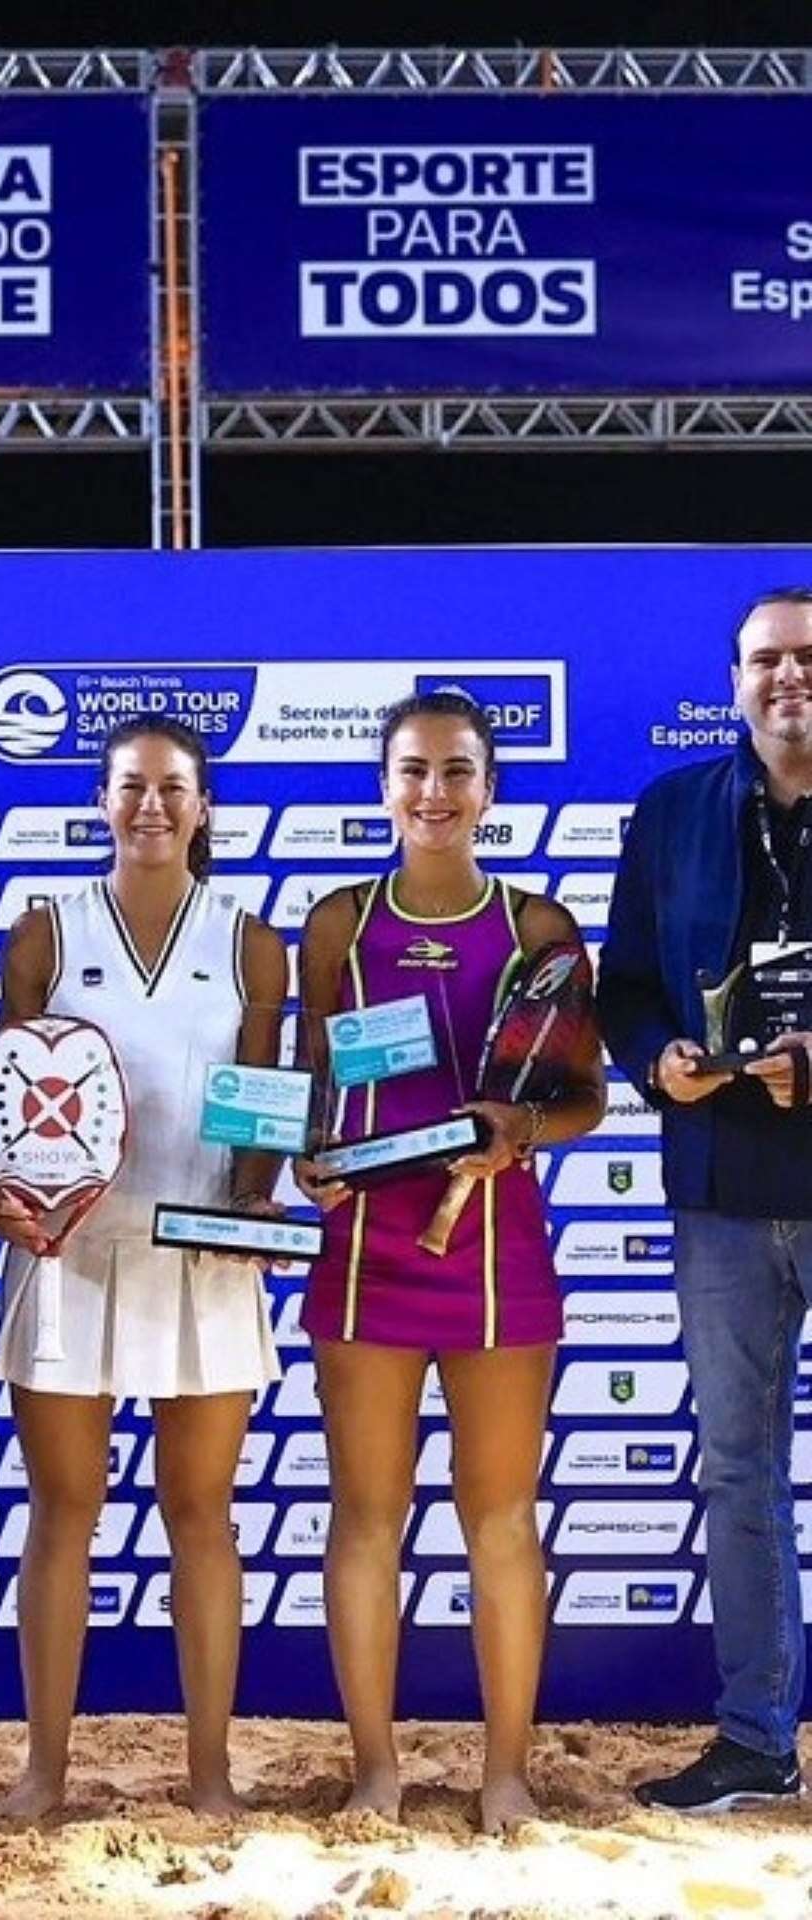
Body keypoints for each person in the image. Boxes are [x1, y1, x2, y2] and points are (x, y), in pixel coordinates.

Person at [295, 689, 604, 1833]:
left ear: (491, 790)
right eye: (414, 772)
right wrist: (306, 1162)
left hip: (497, 1251)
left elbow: (585, 1097)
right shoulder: (335, 925)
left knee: (501, 1520)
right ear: (383, 786)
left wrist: (520, 1132)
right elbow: (312, 1096)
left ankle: (506, 1775)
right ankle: (376, 1771)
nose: (435, 793)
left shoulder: (538, 928)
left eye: (458, 772)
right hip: (370, 1252)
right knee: (367, 1517)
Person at [0, 715, 287, 1819]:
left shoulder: (252, 939)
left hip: (205, 1253)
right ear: (102, 802)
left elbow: (262, 1106)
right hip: (67, 1259)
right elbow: (8, 1105)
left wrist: (258, 1200)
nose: (150, 806)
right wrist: (2, 1195)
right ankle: (44, 1771)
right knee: (64, 1511)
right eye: (130, 788)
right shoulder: (43, 934)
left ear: (203, 806)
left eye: (172, 788)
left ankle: (209, 1773)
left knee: (200, 1514)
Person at [599, 587, 812, 1814]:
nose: (787, 677)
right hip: (723, 1192)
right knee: (741, 1469)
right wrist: (656, 1061)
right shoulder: (675, 812)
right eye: (765, 660)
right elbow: (627, 988)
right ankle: (757, 1738)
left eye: (805, 658)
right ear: (734, 679)